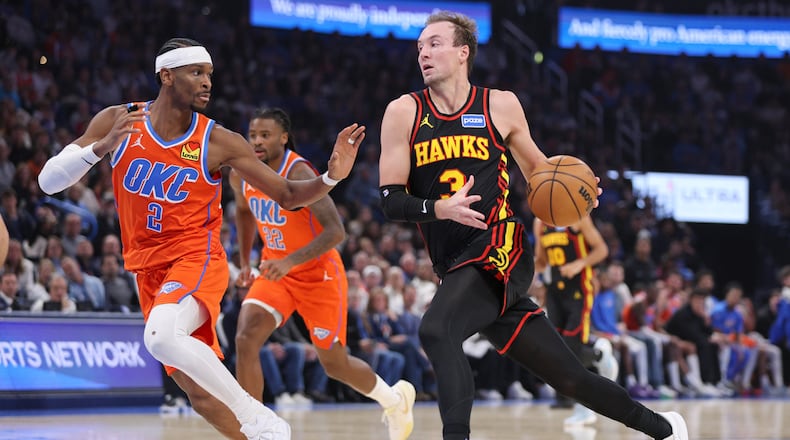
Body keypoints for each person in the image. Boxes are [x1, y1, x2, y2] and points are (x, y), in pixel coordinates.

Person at [378, 11, 687, 440]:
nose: (423, 53)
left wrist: (580, 195)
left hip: (500, 246)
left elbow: (541, 174)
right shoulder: (404, 112)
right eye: (419, 47)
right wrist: (439, 208)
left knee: (436, 329)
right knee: (569, 377)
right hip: (454, 262)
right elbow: (391, 200)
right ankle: (666, 429)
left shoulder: (498, 104)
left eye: (434, 44)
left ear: (463, 52)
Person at [37, 38, 364, 440]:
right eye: (197, 72)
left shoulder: (220, 141)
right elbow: (48, 182)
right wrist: (100, 148)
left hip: (197, 257)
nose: (208, 82)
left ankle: (260, 418)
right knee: (199, 393)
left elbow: (289, 196)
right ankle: (260, 435)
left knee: (159, 336)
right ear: (167, 76)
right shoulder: (118, 122)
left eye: (209, 73)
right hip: (147, 270)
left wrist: (332, 176)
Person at [231, 108, 414, 440]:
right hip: (277, 273)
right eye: (253, 134)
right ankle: (255, 429)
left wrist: (289, 261)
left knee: (335, 364)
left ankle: (394, 400)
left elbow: (335, 232)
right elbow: (244, 212)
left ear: (283, 138)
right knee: (246, 338)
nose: (256, 141)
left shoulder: (298, 171)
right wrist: (245, 261)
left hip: (319, 276)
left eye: (265, 135)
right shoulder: (242, 172)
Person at [533, 215, 619, 424]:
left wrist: (579, 264)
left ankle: (585, 409)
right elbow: (542, 259)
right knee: (556, 349)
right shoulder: (539, 222)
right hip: (554, 291)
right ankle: (598, 355)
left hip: (579, 290)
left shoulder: (578, 218)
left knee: (571, 348)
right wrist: (531, 271)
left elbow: (601, 250)